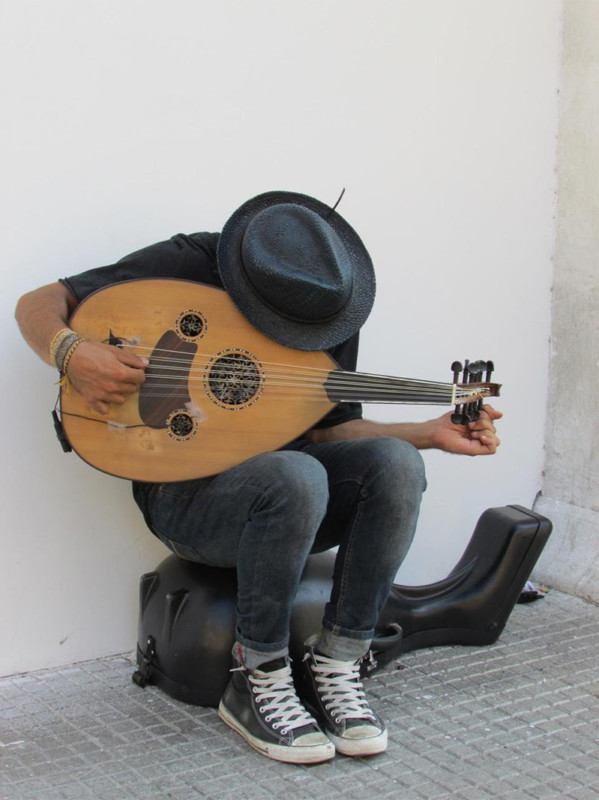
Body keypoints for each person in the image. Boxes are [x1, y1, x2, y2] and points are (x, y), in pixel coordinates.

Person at [15, 190, 501, 765]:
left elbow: (325, 433)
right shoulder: (198, 261)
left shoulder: (327, 305)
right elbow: (39, 301)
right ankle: (257, 677)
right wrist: (71, 351)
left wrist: (428, 431)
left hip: (296, 498)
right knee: (293, 475)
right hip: (187, 499)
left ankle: (339, 663)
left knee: (395, 466)